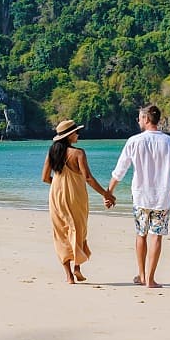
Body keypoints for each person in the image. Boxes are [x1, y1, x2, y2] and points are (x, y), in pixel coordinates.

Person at [107, 104, 170, 288]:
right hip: (162, 199)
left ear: (146, 119)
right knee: (156, 237)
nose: (138, 121)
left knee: (140, 234)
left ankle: (141, 275)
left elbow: (120, 171)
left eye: (140, 118)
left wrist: (109, 192)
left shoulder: (134, 141)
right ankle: (150, 279)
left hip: (141, 197)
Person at [42, 119, 116, 284]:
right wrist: (106, 194)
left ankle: (69, 276)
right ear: (69, 136)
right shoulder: (78, 153)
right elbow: (88, 178)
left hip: (56, 196)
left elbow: (45, 178)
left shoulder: (52, 152)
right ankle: (77, 267)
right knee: (78, 229)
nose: (78, 134)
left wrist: (59, 184)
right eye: (75, 132)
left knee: (61, 232)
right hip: (76, 195)